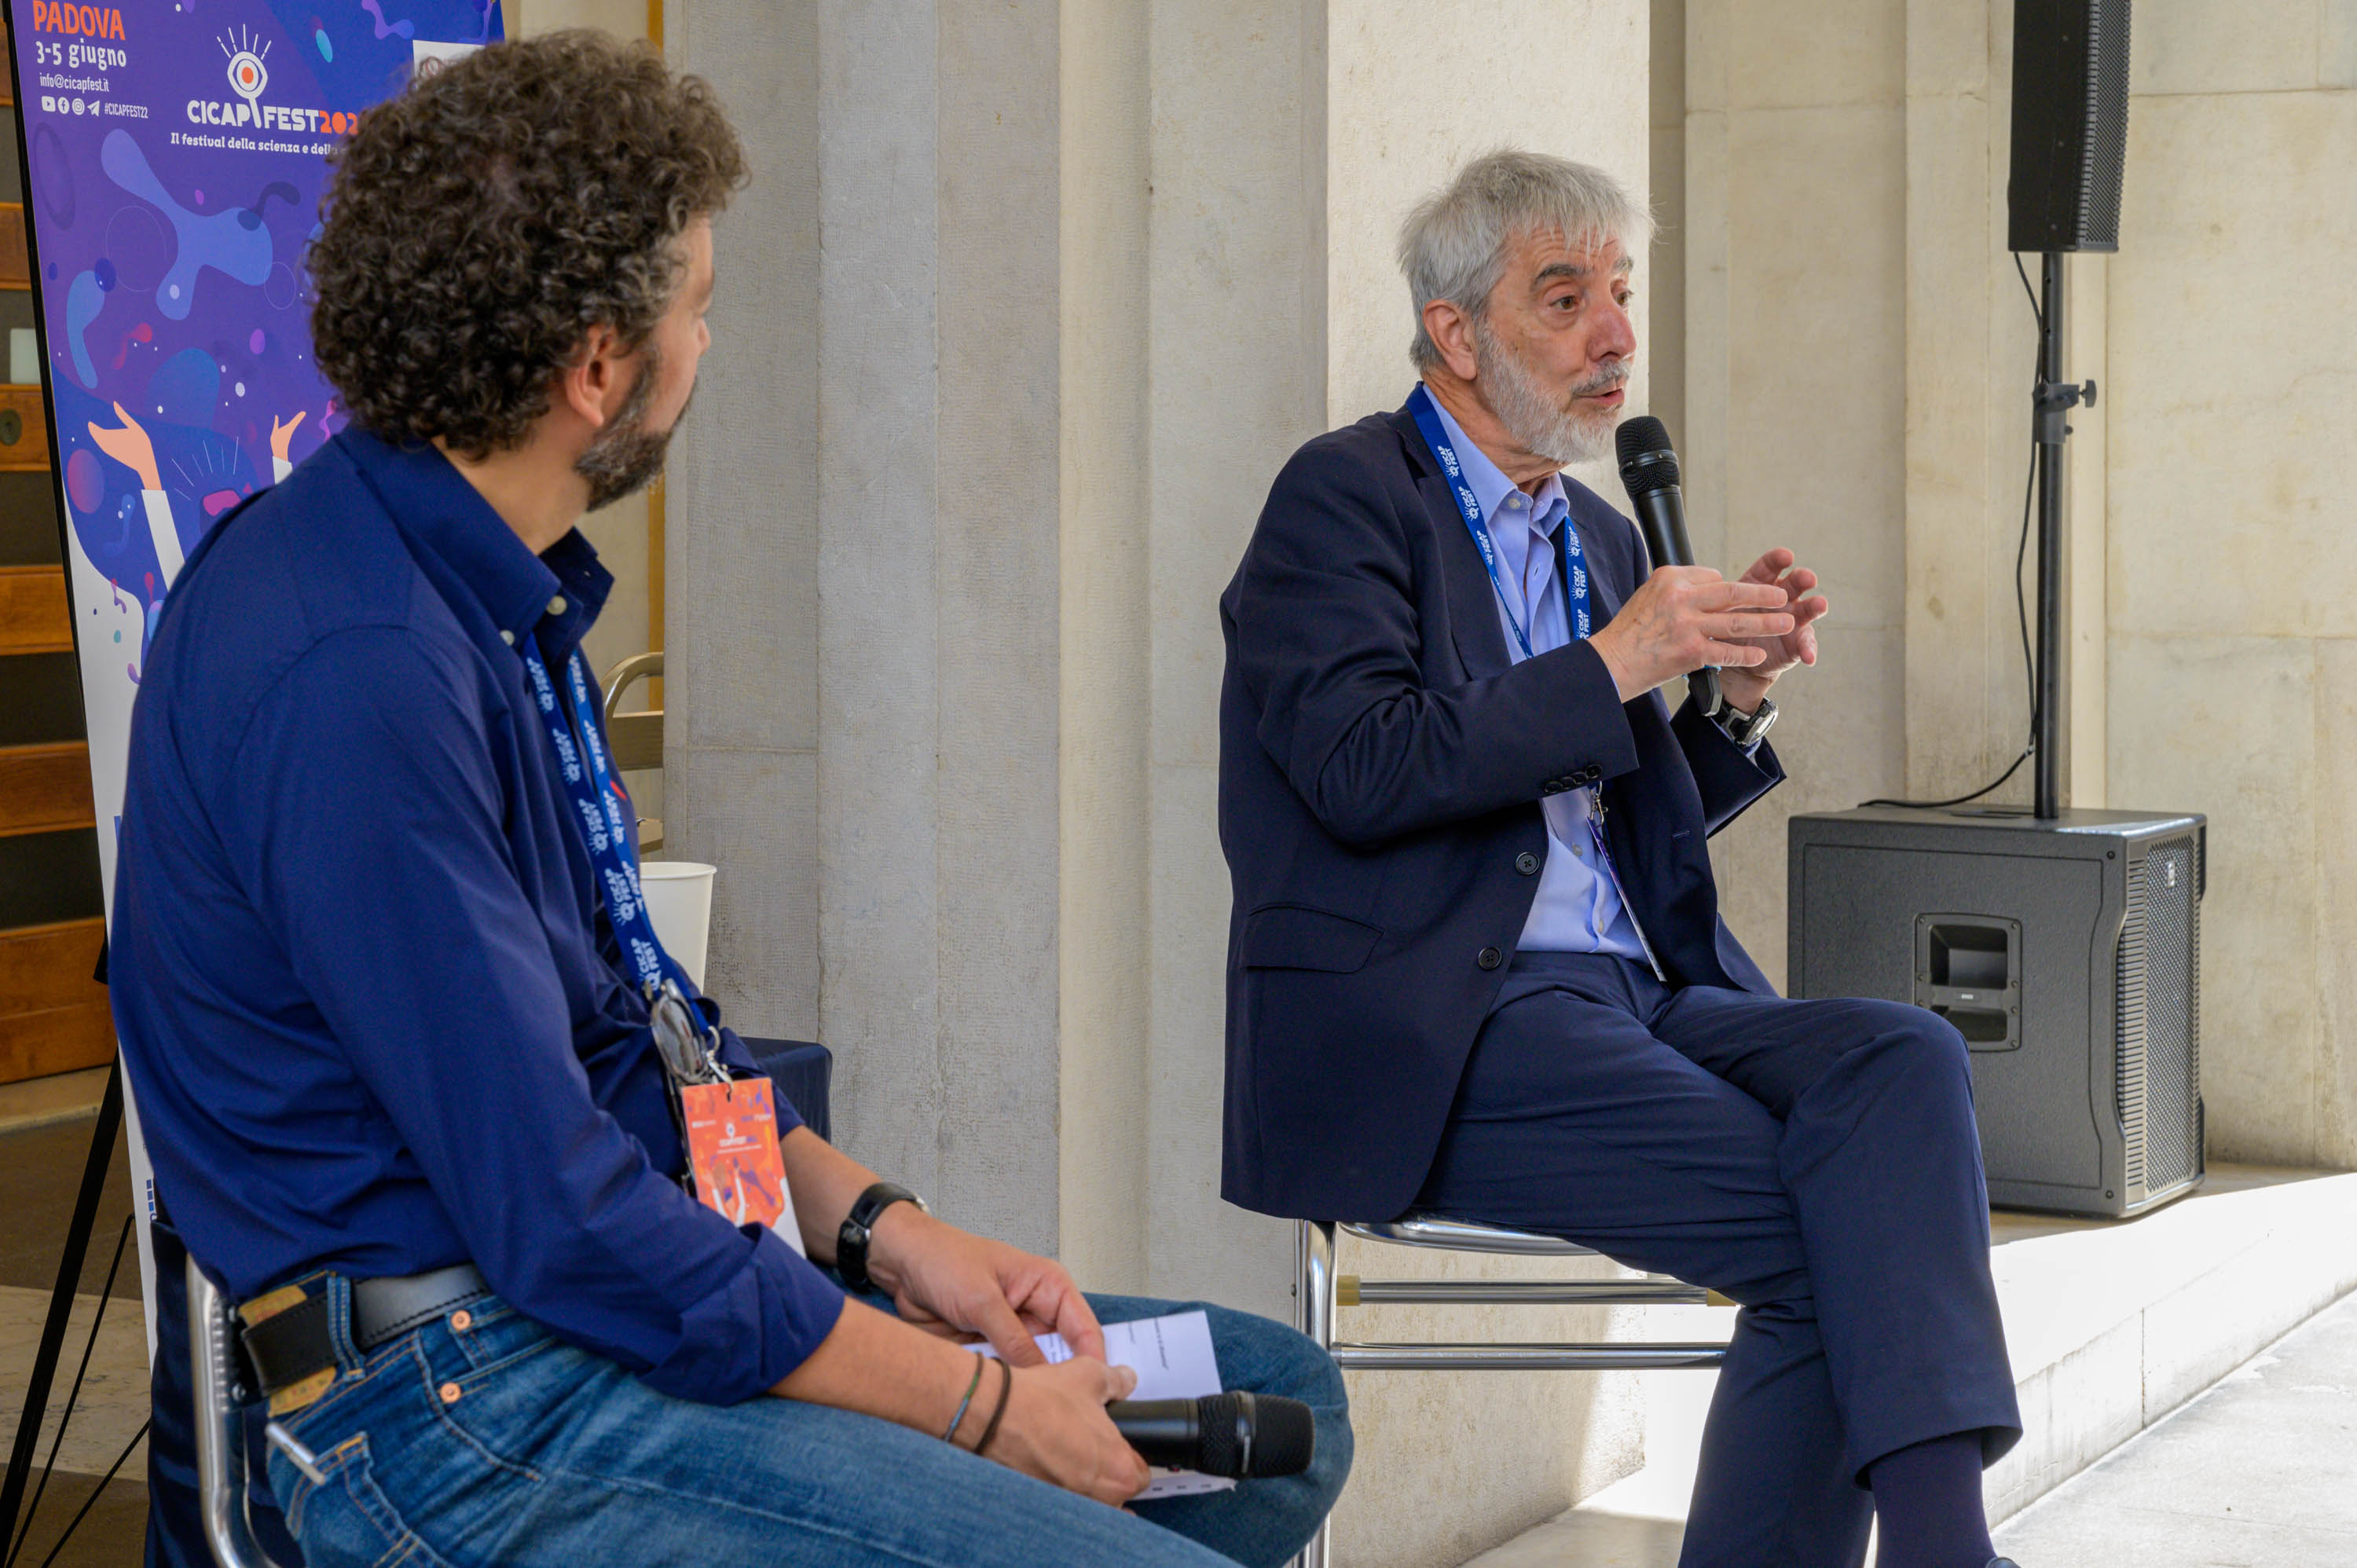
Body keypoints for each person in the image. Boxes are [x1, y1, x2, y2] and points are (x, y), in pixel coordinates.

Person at [108, 33, 1347, 1568]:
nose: (713, 344)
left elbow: (648, 1051)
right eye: (699, 307)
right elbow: (567, 1219)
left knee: (1278, 1399)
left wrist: (886, 1231)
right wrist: (967, 1404)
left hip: (569, 1308)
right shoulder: (357, 665)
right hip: (459, 1401)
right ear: (598, 366)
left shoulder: (489, 595)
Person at [1217, 150, 2021, 1568]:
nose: (1617, 337)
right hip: (1450, 1028)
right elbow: (1359, 770)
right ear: (1457, 333)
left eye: (1623, 295)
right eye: (1566, 296)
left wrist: (1730, 705)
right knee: (1837, 1235)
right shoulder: (1343, 500)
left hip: (1637, 998)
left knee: (1904, 1060)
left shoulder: (1594, 532)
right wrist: (1617, 659)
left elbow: (1603, 826)